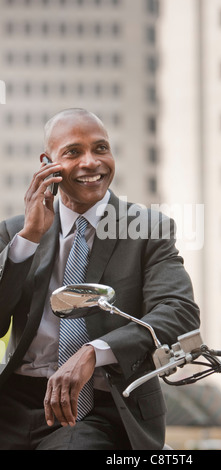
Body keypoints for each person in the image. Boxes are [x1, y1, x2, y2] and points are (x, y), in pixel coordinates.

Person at [0, 108, 200, 450]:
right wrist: (30, 237)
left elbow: (178, 313)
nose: (91, 162)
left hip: (97, 406)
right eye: (73, 152)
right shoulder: (16, 231)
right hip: (14, 402)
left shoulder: (147, 228)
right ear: (47, 162)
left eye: (101, 148)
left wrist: (94, 353)